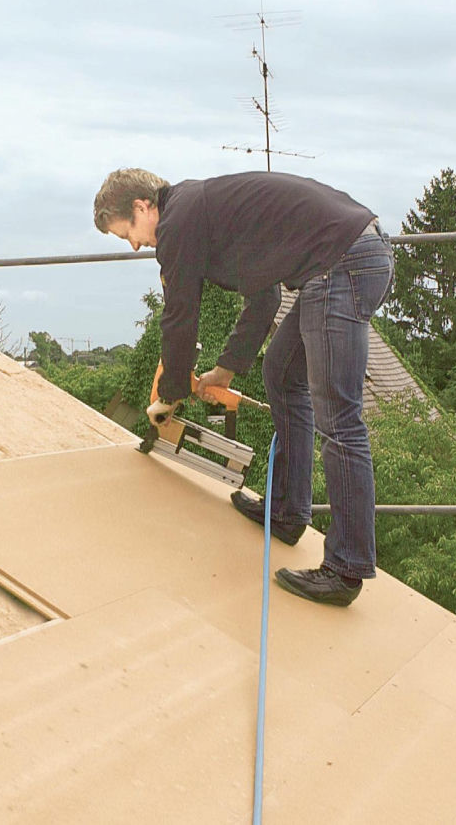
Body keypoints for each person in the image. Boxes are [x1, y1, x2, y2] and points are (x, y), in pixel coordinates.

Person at [93, 168, 395, 607]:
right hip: (344, 260)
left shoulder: (179, 222)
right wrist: (227, 371)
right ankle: (289, 513)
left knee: (340, 421)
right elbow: (267, 298)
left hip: (343, 264)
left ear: (142, 207)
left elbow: (180, 313)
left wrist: (171, 394)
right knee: (282, 372)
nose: (135, 245)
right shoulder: (204, 214)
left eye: (128, 234)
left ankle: (345, 570)